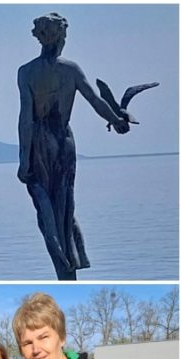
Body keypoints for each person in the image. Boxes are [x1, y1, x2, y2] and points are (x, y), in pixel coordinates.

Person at [17, 13, 129, 280]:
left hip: (40, 145)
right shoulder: (71, 69)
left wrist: (24, 159)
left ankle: (65, 263)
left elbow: (26, 119)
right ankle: (70, 261)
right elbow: (95, 100)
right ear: (59, 37)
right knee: (64, 205)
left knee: (49, 208)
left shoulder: (26, 72)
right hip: (63, 141)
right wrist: (116, 121)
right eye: (64, 35)